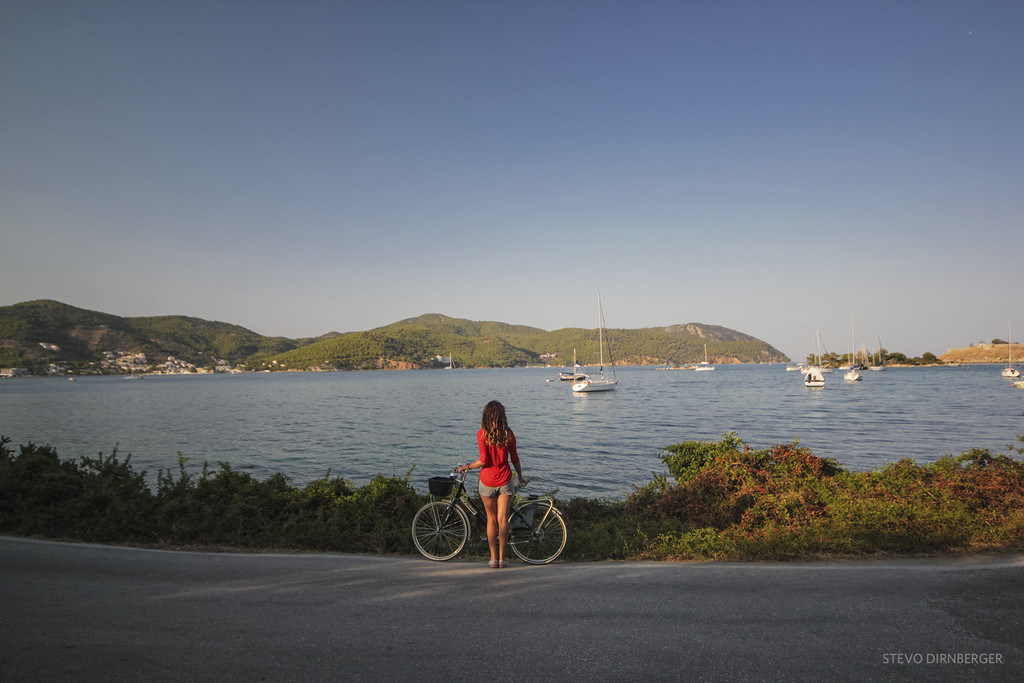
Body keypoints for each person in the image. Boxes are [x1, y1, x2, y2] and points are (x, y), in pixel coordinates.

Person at [456, 400, 526, 568]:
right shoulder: (509, 434)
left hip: (487, 481)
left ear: (486, 416)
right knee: (503, 520)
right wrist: (521, 477)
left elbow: (483, 460)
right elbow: (515, 459)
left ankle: (493, 558)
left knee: (491, 520)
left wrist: (467, 467)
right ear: (502, 416)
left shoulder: (482, 434)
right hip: (505, 481)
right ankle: (502, 559)